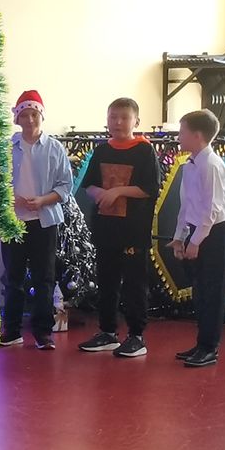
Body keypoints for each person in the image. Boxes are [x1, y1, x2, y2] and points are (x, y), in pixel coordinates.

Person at [77, 98, 160, 358]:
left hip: (133, 230)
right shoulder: (102, 150)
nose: (118, 122)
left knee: (134, 284)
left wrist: (117, 192)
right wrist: (100, 193)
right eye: (113, 117)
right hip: (106, 227)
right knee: (107, 281)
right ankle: (107, 332)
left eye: (124, 117)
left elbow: (149, 188)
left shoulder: (144, 151)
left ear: (136, 121)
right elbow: (89, 185)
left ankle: (136, 336)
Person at [0, 90, 74, 351]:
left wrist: (43, 200)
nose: (30, 120)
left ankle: (43, 332)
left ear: (41, 116)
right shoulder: (6, 148)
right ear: (17, 119)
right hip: (14, 222)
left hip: (45, 222)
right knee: (13, 278)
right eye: (24, 115)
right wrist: (12, 199)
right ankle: (12, 330)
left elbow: (65, 186)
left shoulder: (55, 148)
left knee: (44, 278)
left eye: (34, 114)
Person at [169, 109, 225, 369]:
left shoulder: (212, 165)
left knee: (213, 292)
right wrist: (179, 237)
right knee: (200, 291)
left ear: (197, 135)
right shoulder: (189, 165)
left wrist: (196, 241)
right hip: (197, 230)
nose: (178, 137)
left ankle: (210, 347)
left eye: (182, 132)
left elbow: (212, 209)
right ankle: (201, 343)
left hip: (215, 233)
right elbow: (186, 205)